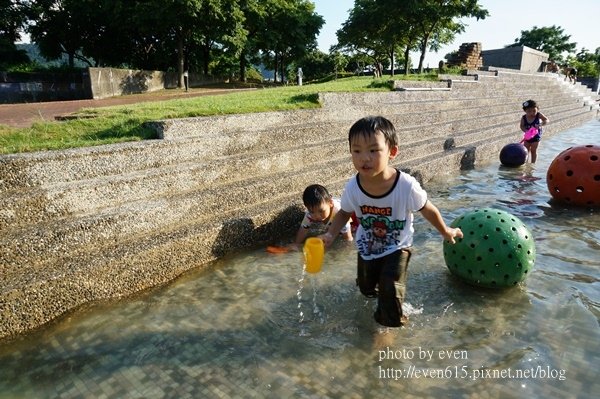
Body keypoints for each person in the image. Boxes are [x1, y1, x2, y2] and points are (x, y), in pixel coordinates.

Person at [319, 116, 463, 328]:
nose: (364, 158)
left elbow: (428, 209)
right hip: (367, 246)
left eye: (373, 150)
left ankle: (390, 324)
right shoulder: (353, 187)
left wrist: (445, 231)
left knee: (390, 286)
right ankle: (379, 298)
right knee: (367, 289)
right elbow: (344, 213)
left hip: (398, 246)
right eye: (356, 151)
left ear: (392, 152)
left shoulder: (405, 186)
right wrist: (331, 233)